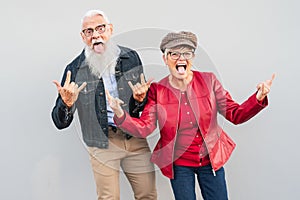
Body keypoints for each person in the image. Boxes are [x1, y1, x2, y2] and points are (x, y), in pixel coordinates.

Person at [108, 31, 275, 200]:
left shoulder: (209, 81)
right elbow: (145, 128)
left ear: (193, 58)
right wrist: (120, 114)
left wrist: (258, 98)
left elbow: (235, 115)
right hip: (179, 165)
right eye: (174, 53)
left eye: (186, 53)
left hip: (211, 161)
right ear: (165, 59)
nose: (181, 58)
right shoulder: (157, 91)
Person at [51, 9, 157, 200]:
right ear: (83, 37)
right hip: (102, 143)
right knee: (109, 198)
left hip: (134, 137)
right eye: (89, 31)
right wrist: (66, 104)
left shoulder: (130, 57)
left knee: (148, 195)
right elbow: (60, 122)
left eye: (100, 28)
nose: (96, 35)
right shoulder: (74, 69)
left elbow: (139, 109)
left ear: (110, 30)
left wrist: (141, 101)